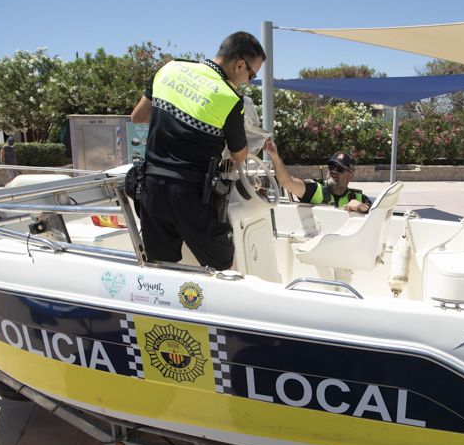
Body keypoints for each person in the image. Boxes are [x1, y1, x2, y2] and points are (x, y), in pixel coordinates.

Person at [129, 31, 265, 270]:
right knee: (222, 262)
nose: (248, 80)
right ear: (239, 64)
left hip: (150, 187)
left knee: (160, 265)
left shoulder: (168, 69)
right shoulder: (230, 99)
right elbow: (239, 155)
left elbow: (138, 116)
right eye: (251, 74)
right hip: (190, 195)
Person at [263, 141, 372, 213]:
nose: (334, 170)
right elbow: (287, 182)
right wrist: (274, 156)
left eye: (340, 168)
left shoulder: (360, 198)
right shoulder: (315, 189)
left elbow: (377, 215)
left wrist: (363, 207)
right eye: (331, 166)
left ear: (350, 175)